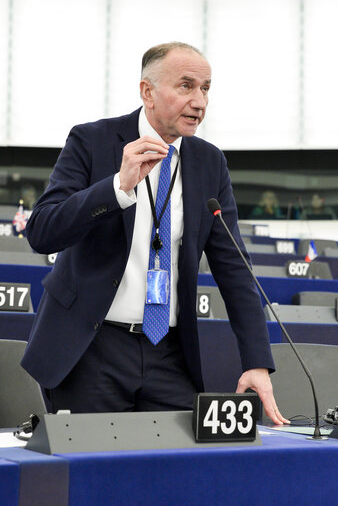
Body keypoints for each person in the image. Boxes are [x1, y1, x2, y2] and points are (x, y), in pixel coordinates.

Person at [22, 42, 288, 425]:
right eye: (186, 86)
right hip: (92, 349)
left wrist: (257, 362)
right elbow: (42, 232)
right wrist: (117, 187)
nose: (200, 100)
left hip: (170, 353)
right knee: (92, 478)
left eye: (206, 88)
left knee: (173, 475)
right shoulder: (91, 141)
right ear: (147, 91)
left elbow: (234, 268)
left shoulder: (209, 162)